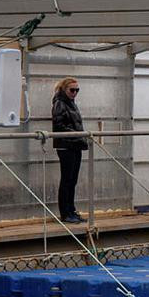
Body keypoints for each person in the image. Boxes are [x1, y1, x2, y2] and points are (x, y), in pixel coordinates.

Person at [51, 77, 88, 224]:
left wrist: (79, 138)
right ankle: (65, 213)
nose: (75, 93)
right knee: (67, 180)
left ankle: (71, 210)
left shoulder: (71, 103)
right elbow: (59, 125)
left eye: (77, 90)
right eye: (72, 90)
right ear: (64, 90)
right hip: (66, 145)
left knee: (72, 180)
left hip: (74, 144)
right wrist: (77, 135)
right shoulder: (60, 103)